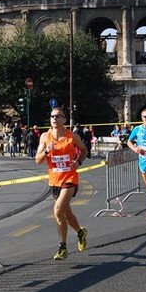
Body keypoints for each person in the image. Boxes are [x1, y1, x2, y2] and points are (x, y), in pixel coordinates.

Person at [35, 107, 88, 260]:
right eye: (52, 116)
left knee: (58, 210)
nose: (55, 119)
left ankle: (62, 246)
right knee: (67, 214)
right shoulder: (45, 137)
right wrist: (46, 151)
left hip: (70, 178)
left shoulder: (72, 137)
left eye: (58, 116)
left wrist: (78, 162)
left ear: (64, 120)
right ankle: (80, 232)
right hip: (54, 181)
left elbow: (84, 151)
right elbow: (38, 160)